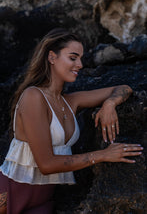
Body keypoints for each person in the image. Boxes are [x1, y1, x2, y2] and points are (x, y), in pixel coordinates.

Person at [0, 28, 143, 214]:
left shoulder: (71, 101)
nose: (80, 64)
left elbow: (124, 88)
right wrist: (102, 155)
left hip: (42, 202)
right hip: (8, 195)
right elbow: (47, 164)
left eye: (81, 58)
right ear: (52, 57)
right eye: (73, 57)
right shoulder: (33, 96)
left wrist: (110, 104)